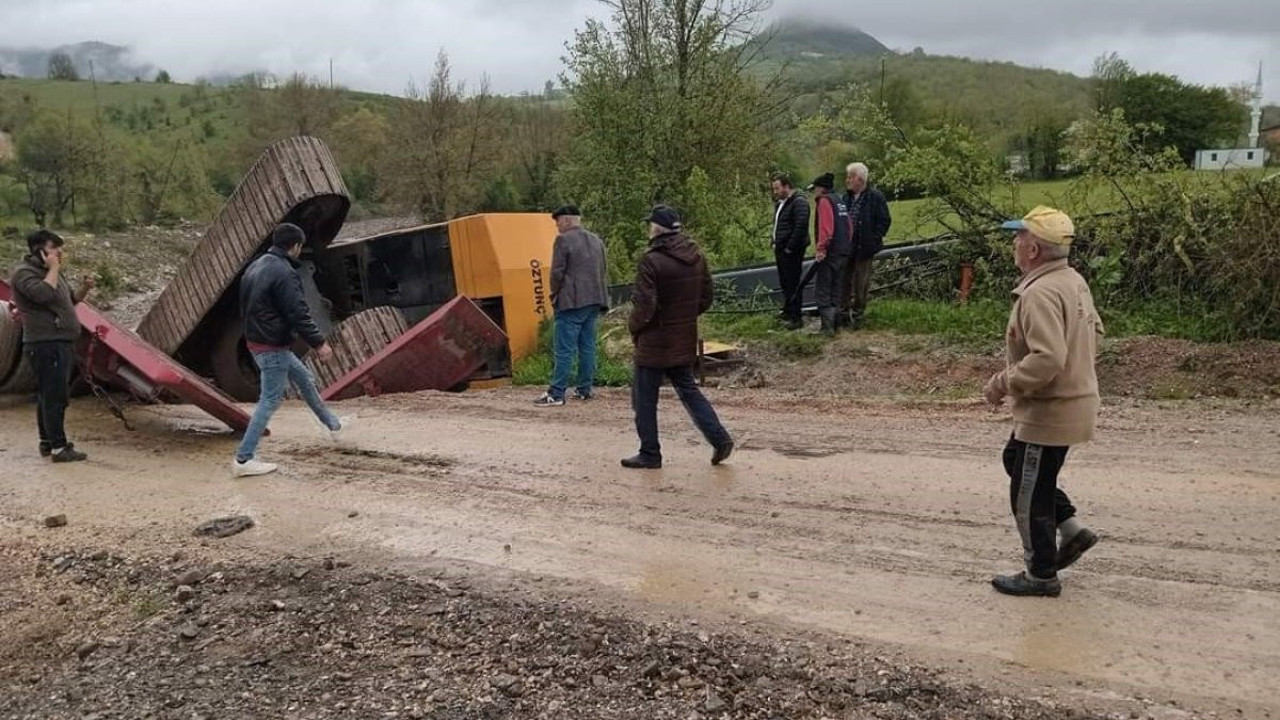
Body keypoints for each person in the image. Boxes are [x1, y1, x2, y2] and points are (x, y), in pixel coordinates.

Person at [983, 206, 1103, 597]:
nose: (1014, 243)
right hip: (1072, 402)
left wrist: (1001, 383)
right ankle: (1071, 530)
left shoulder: (1038, 293)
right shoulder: (1073, 281)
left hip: (1050, 411)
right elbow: (1092, 336)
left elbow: (1047, 358)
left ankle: (1040, 574)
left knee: (1028, 493)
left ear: (1033, 249)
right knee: (1016, 461)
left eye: (1019, 237)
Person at [623, 205, 733, 469]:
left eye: (650, 224)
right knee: (689, 391)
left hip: (654, 342)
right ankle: (719, 439)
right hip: (683, 338)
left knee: (644, 399)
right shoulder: (696, 256)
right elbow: (706, 297)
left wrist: (634, 328)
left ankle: (650, 453)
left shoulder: (651, 260)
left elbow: (645, 306)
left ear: (656, 228)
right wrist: (685, 318)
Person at [232, 223, 341, 478]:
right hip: (272, 345)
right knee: (270, 400)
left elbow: (244, 306)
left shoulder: (256, 266)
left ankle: (333, 425)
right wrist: (319, 343)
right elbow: (298, 313)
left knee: (305, 379)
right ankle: (243, 459)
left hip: (259, 341)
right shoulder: (284, 272)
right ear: (296, 246)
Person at [9, 229, 93, 463]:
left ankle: (47, 442)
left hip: (59, 342)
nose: (59, 252)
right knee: (55, 396)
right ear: (39, 251)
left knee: (48, 394)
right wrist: (54, 268)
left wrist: (85, 288)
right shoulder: (24, 274)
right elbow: (44, 295)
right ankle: (58, 447)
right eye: (54, 248)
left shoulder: (51, 273)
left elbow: (70, 300)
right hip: (45, 343)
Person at [535, 205, 609, 407]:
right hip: (595, 299)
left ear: (567, 220)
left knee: (564, 349)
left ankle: (556, 393)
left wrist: (554, 295)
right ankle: (584, 389)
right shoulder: (596, 240)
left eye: (558, 221)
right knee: (587, 346)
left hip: (571, 301)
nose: (557, 226)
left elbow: (557, 273)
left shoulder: (563, 240)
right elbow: (603, 268)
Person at [839, 163, 892, 329]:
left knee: (861, 283)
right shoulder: (846, 198)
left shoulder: (875, 197)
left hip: (865, 247)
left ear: (860, 179)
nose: (847, 180)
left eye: (850, 177)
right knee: (844, 280)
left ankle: (858, 314)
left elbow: (884, 220)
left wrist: (874, 239)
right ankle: (842, 314)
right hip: (847, 247)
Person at [807, 172, 852, 336]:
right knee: (836, 288)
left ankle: (827, 328)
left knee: (823, 290)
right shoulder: (839, 200)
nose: (814, 192)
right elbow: (849, 226)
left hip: (830, 253)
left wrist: (821, 249)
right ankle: (837, 325)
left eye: (815, 189)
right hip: (843, 251)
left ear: (821, 188)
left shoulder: (824, 201)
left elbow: (826, 228)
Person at [770, 172, 810, 330]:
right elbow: (778, 224)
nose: (775, 192)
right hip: (780, 248)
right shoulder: (781, 204)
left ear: (787, 186)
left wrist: (790, 247)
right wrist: (773, 240)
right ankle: (787, 311)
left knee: (793, 283)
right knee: (785, 282)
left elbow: (800, 226)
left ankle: (796, 317)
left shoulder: (799, 202)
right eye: (773, 189)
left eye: (777, 188)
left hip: (792, 250)